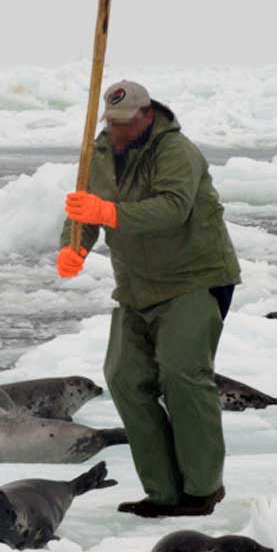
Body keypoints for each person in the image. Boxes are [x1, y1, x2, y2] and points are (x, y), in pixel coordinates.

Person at [57, 80, 241, 517]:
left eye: (124, 122)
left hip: (193, 280)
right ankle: (163, 492)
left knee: (182, 375)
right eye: (111, 123)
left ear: (146, 115)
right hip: (137, 287)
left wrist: (109, 213)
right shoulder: (99, 154)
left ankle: (202, 489)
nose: (117, 130)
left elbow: (172, 209)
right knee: (123, 377)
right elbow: (84, 208)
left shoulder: (177, 151)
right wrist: (74, 245)